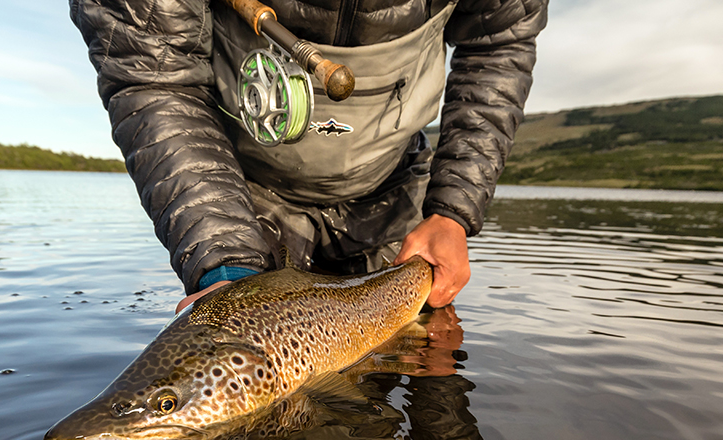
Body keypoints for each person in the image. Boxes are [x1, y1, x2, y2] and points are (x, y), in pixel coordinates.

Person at [70, 0, 547, 311]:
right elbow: (152, 78)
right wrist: (225, 260)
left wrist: (452, 212)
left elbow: (498, 45)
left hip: (398, 195)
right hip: (241, 194)